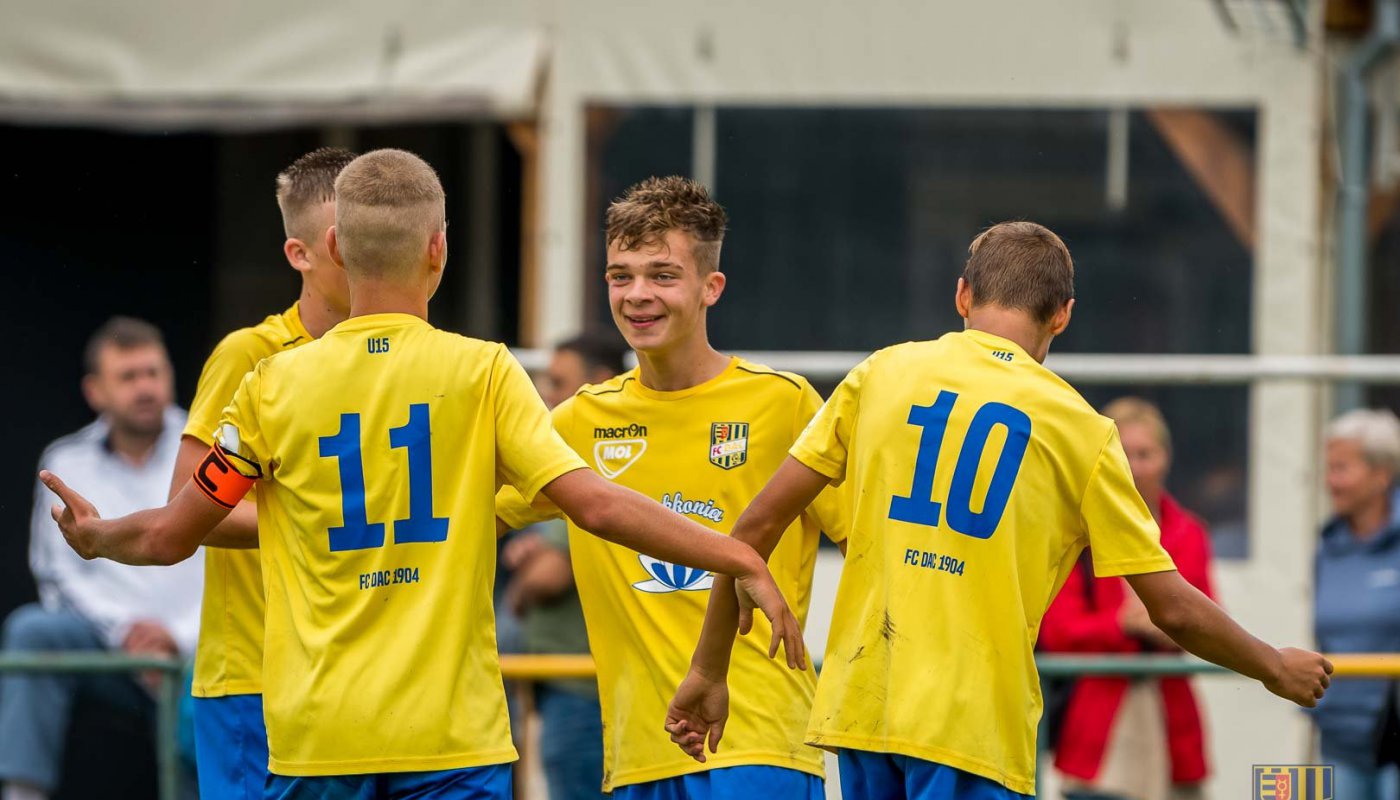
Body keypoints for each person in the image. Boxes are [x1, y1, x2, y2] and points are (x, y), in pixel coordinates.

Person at [39, 149, 803, 799]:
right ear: (438, 250)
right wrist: (736, 555)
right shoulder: (482, 372)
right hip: (451, 738)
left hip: (318, 735)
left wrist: (99, 536)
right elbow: (597, 506)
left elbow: (174, 533)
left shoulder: (271, 385)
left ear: (335, 247)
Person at [665, 221, 1333, 800]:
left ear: (962, 295)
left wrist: (707, 669)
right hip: (973, 726)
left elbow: (752, 529)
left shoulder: (881, 374)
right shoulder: (1081, 430)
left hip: (863, 709)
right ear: (1063, 315)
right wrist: (1274, 666)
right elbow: (1173, 608)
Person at [496, 176, 845, 800]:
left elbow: (866, 543)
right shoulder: (578, 421)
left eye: (662, 275)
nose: (638, 294)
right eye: (620, 276)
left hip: (759, 746)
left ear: (712, 287)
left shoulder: (783, 403)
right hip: (637, 757)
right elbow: (466, 516)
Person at [171, 147, 356, 799]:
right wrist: (317, 523)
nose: (367, 255)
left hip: (353, 677)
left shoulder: (398, 357)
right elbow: (187, 506)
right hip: (253, 677)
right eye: (343, 242)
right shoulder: (250, 353)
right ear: (299, 255)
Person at [0, 317, 204, 800]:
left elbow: (238, 563)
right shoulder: (66, 461)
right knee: (33, 631)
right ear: (95, 391)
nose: (145, 388)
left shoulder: (206, 449)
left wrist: (177, 639)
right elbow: (57, 576)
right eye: (128, 377)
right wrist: (126, 635)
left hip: (201, 644)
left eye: (153, 373)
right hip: (111, 647)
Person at [1039, 397, 1216, 800]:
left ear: (1166, 458)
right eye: (1124, 454)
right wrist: (1125, 624)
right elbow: (1058, 630)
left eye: (1145, 454)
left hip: (1172, 721)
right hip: (1099, 726)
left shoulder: (1189, 532)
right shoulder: (1076, 532)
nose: (1134, 467)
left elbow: (1208, 621)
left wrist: (1170, 627)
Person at [499, 330, 629, 800]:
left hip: (585, 688)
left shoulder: (599, 463)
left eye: (558, 382)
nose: (546, 395)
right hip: (576, 685)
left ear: (600, 382)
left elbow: (550, 574)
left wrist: (518, 590)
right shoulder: (567, 456)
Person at [1313, 409, 1400, 800]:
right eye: (1328, 469)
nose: (1330, 481)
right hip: (1339, 742)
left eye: (1342, 469)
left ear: (1381, 475)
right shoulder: (1327, 547)